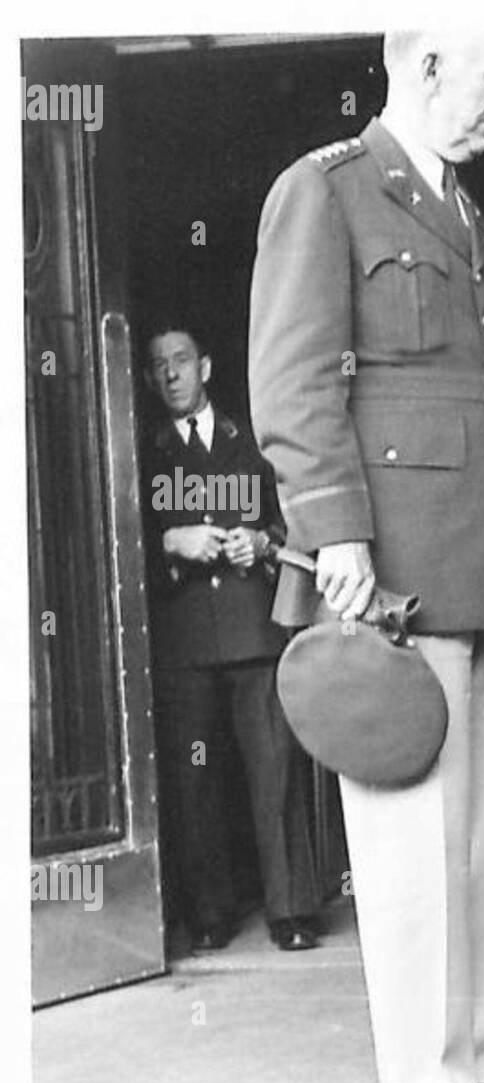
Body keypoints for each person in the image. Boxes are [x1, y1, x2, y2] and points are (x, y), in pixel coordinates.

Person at [248, 30, 484, 1083]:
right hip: (395, 574)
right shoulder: (325, 191)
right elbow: (290, 378)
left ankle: (469, 1058)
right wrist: (334, 532)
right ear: (425, 67)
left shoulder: (466, 213)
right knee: (406, 844)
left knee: (479, 838)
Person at [141, 323, 322, 954]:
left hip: (253, 630)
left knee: (274, 772)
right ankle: (210, 912)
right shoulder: (141, 448)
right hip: (185, 641)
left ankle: (292, 910)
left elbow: (289, 521)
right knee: (197, 780)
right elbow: (114, 535)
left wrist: (263, 543)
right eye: (159, 365)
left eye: (182, 360)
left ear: (206, 367)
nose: (171, 374)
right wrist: (170, 541)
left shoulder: (253, 440)